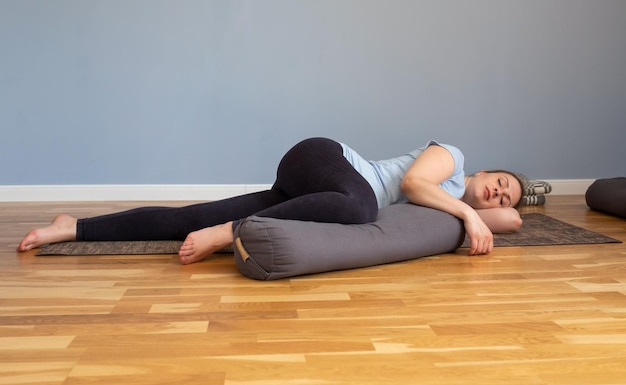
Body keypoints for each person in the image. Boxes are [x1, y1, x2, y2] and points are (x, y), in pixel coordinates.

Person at [17, 137, 524, 263]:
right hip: (326, 160)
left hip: (319, 193)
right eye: (500, 179)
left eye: (503, 194)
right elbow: (413, 185)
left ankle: (75, 226)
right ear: (482, 168)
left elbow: (514, 221)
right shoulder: (452, 160)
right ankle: (230, 233)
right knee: (362, 208)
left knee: (190, 218)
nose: (499, 193)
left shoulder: (462, 205)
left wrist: (485, 213)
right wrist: (465, 210)